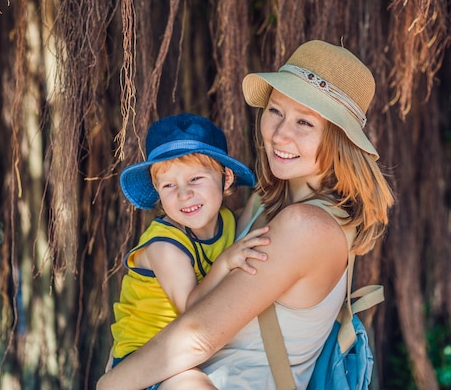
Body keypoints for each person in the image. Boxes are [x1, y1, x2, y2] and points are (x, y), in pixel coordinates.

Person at [97, 40, 394, 390]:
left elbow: (199, 335)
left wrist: (109, 384)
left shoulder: (306, 227)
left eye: (305, 123)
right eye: (275, 111)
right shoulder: (260, 206)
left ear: (340, 139)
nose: (280, 134)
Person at [108, 113, 270, 389]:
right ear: (158, 192)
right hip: (142, 362)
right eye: (169, 185)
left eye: (195, 179)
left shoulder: (228, 221)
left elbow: (259, 210)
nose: (184, 194)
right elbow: (193, 312)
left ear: (226, 178)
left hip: (184, 357)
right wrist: (225, 262)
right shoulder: (164, 246)